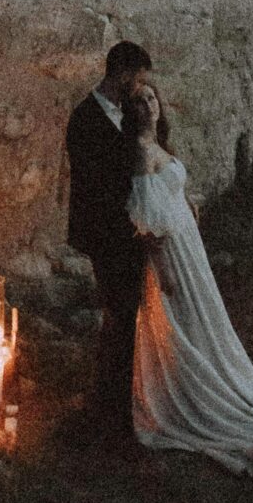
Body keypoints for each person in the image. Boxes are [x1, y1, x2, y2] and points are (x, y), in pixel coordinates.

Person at [124, 79, 253, 475]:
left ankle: (222, 370)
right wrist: (164, 269)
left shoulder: (158, 146)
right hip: (171, 252)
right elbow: (146, 220)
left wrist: (186, 205)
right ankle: (195, 391)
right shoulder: (137, 150)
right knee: (183, 318)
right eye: (138, 101)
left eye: (151, 98)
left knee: (205, 316)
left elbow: (167, 193)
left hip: (188, 243)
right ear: (130, 111)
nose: (148, 106)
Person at [61, 39, 157, 442]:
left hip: (122, 234)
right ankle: (112, 413)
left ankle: (113, 402)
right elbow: (101, 184)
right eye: (137, 80)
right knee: (119, 319)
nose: (140, 88)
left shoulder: (120, 115)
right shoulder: (85, 120)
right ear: (121, 76)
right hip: (107, 236)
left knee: (122, 320)